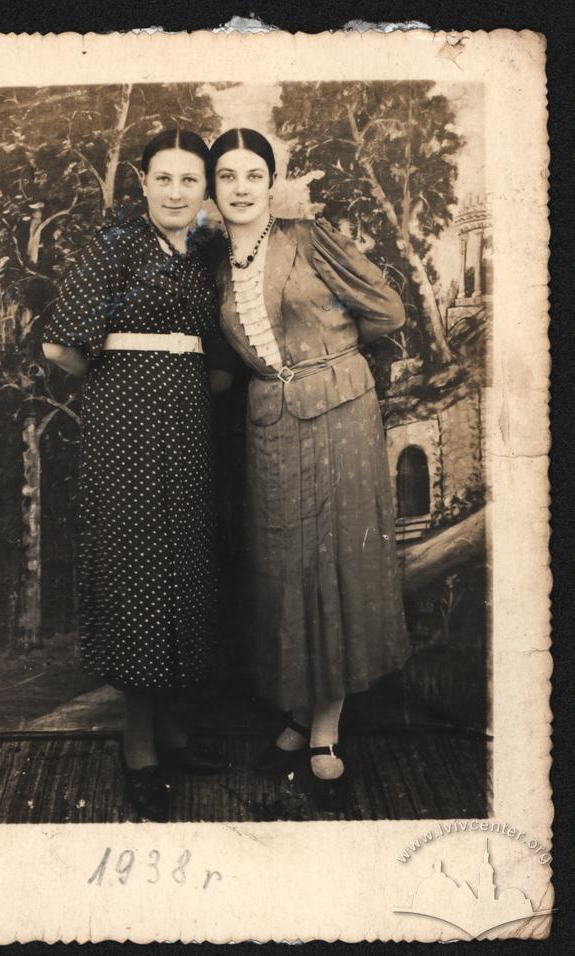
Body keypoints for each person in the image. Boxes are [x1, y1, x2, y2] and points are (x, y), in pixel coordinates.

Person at [208, 128, 411, 812]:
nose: (240, 187)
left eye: (253, 175)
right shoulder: (215, 266)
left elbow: (387, 310)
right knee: (286, 571)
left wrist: (336, 359)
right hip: (271, 424)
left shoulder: (309, 238)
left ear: (272, 183)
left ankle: (325, 732)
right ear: (215, 188)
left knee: (332, 568)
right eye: (227, 175)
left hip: (339, 418)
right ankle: (299, 714)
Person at [42, 129, 229, 822]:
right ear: (142, 182)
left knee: (183, 565)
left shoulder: (204, 253)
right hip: (126, 427)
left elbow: (215, 350)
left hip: (189, 427)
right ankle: (139, 745)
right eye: (165, 179)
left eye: (190, 181)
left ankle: (174, 730)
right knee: (138, 569)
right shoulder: (117, 244)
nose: (177, 192)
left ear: (202, 190)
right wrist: (126, 383)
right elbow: (60, 345)